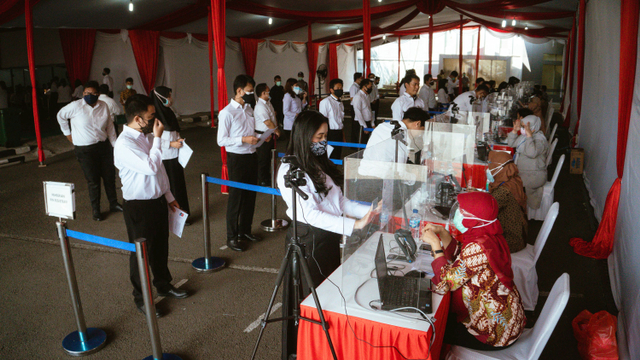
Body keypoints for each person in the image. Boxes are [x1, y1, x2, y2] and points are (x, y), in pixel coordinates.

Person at [277, 110, 375, 360]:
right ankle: (308, 350)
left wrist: (371, 211)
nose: (323, 142)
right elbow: (311, 215)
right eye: (319, 136)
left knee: (330, 295)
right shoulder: (289, 171)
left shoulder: (316, 164)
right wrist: (354, 225)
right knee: (312, 300)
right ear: (304, 136)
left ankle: (327, 346)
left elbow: (340, 202)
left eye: (325, 136)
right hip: (308, 241)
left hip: (328, 238)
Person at [420, 192, 526, 350]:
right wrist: (443, 233)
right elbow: (461, 257)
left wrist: (436, 245)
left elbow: (446, 282)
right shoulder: (488, 235)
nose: (458, 213)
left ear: (474, 220)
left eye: (462, 211)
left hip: (495, 333)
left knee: (431, 330)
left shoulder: (479, 246)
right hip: (507, 323)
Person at [115, 94, 189, 318]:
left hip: (156, 201)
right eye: (151, 117)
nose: (156, 121)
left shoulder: (144, 137)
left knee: (160, 247)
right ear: (138, 119)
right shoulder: (124, 144)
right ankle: (143, 299)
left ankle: (163, 285)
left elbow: (160, 170)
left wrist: (168, 195)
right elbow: (150, 166)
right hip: (139, 206)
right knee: (141, 255)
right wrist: (157, 139)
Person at [57, 80, 121, 221]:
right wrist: (68, 134)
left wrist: (115, 146)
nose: (89, 95)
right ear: (83, 93)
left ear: (98, 94)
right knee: (93, 180)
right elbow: (60, 116)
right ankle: (96, 210)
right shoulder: (75, 106)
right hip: (85, 150)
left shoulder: (103, 105)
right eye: (86, 93)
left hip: (103, 147)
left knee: (109, 177)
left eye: (92, 93)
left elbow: (110, 126)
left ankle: (114, 204)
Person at [217, 75, 262, 252]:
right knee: (236, 198)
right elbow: (221, 140)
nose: (252, 94)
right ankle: (232, 236)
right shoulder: (227, 112)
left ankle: (245, 231)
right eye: (249, 91)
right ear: (239, 91)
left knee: (250, 196)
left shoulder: (249, 109)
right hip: (236, 159)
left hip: (251, 155)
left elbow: (251, 130)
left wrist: (258, 138)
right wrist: (243, 139)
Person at [152, 86, 191, 224]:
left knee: (178, 187)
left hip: (175, 157)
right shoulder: (154, 118)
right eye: (167, 96)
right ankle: (170, 217)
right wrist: (170, 144)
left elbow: (175, 131)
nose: (170, 99)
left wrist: (178, 139)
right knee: (167, 188)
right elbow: (153, 139)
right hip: (163, 158)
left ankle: (182, 215)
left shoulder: (169, 113)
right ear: (160, 98)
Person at [487, 150, 528, 253]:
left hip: (511, 241)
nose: (489, 170)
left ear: (501, 169)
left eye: (491, 167)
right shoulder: (513, 181)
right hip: (520, 235)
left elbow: (487, 210)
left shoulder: (504, 191)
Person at [507, 114, 548, 210]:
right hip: (525, 172)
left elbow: (531, 153)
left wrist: (529, 136)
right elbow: (511, 143)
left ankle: (517, 212)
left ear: (533, 127)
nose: (522, 129)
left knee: (508, 184)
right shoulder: (524, 137)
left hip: (534, 175)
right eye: (522, 126)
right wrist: (514, 131)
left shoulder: (539, 139)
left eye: (524, 127)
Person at [253, 83, 281, 186]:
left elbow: (273, 117)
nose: (270, 94)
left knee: (269, 157)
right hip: (263, 135)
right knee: (262, 159)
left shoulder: (268, 103)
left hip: (270, 133)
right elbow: (268, 122)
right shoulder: (260, 106)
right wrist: (277, 130)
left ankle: (267, 176)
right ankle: (262, 179)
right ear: (263, 93)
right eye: (268, 92)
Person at [318, 78, 345, 160]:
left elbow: (341, 119)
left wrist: (343, 134)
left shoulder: (340, 103)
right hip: (330, 133)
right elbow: (322, 120)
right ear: (331, 90)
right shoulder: (326, 102)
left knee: (337, 155)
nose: (340, 90)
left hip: (339, 132)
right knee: (329, 155)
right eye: (337, 88)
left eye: (341, 88)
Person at [351, 78, 373, 143]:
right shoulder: (358, 97)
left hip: (367, 121)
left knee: (367, 142)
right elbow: (358, 112)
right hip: (360, 123)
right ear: (364, 86)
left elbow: (369, 109)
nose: (371, 88)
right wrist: (364, 126)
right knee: (362, 142)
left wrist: (372, 122)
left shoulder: (367, 96)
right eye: (370, 86)